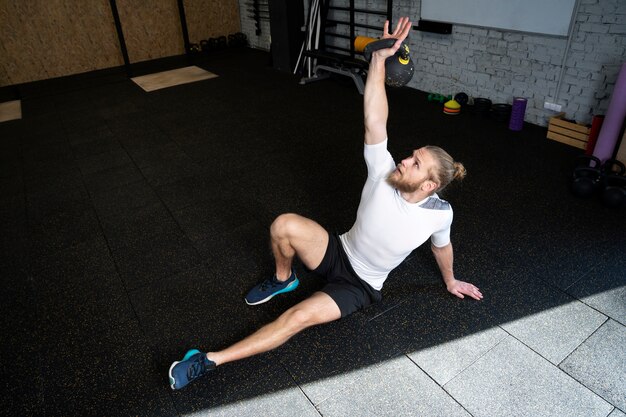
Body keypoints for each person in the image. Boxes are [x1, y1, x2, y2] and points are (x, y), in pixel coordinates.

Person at [169, 17, 483, 390]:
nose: (403, 160)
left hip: (360, 286)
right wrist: (379, 61)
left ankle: (208, 360)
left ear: (430, 184)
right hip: (337, 251)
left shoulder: (439, 215)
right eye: (410, 154)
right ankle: (283, 279)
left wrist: (450, 281)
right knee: (283, 224)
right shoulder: (382, 170)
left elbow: (442, 246)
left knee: (296, 318)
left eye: (414, 164)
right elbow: (375, 117)